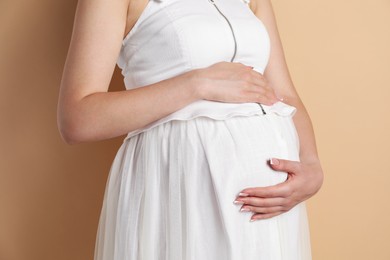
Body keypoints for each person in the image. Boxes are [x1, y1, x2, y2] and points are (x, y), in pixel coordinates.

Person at [57, 0, 324, 258]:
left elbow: (285, 95)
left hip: (273, 210)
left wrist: (311, 164)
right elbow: (78, 118)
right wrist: (197, 84)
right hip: (182, 190)